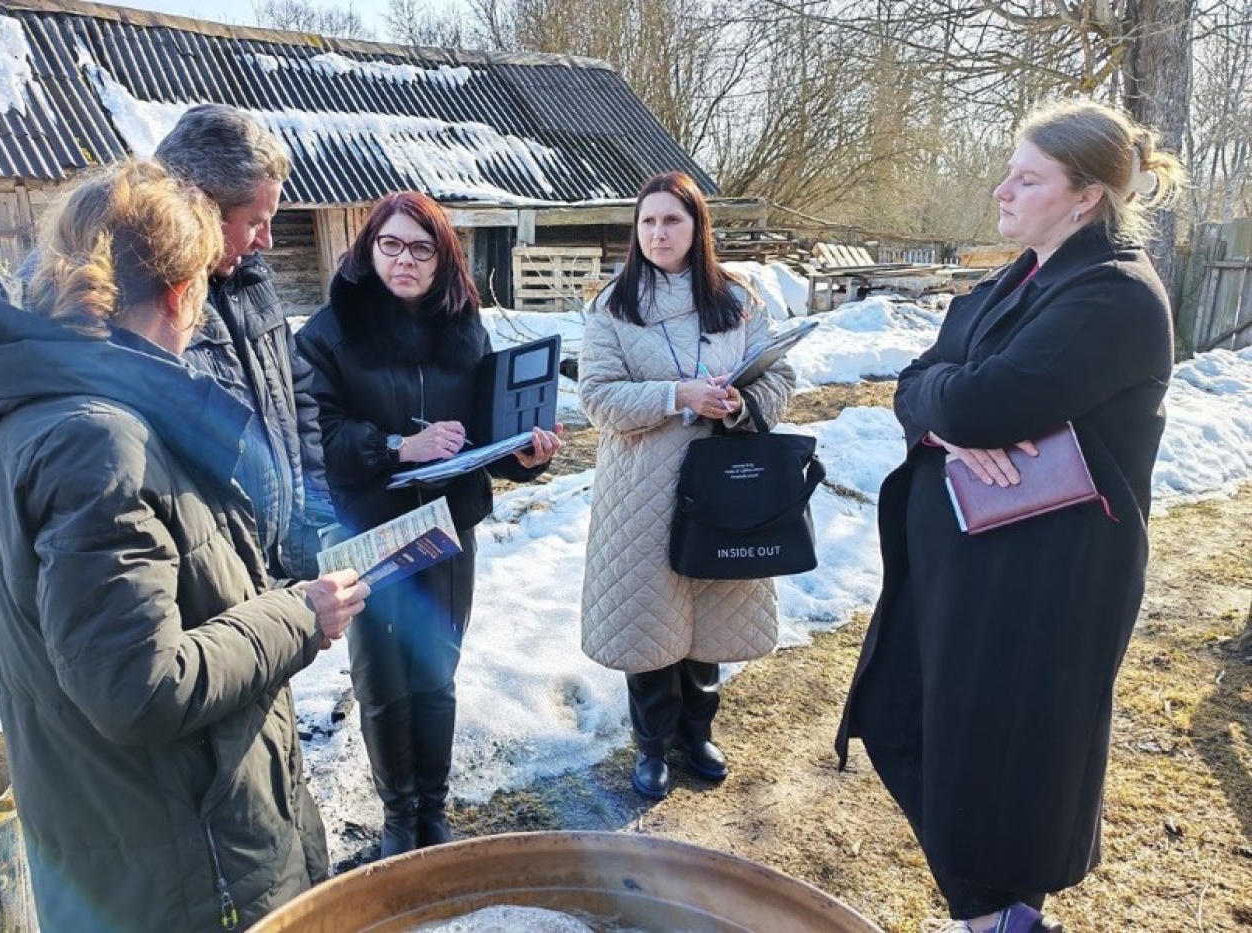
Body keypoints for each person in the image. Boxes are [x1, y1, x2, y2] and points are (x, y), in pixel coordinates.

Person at [0, 161, 369, 932]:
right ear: (179, 292)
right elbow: (140, 686)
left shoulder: (65, 404)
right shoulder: (97, 439)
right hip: (184, 877)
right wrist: (299, 616)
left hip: (163, 847)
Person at [834, 100, 1186, 932]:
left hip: (1042, 582)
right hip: (964, 566)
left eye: (1027, 179)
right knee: (904, 720)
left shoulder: (1114, 293)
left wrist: (954, 411)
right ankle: (999, 913)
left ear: (1085, 197)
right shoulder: (1020, 277)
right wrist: (946, 418)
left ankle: (1003, 917)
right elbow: (915, 383)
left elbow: (980, 401)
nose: (1001, 191)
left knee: (1001, 761)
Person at [293, 191, 562, 858]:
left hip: (447, 530)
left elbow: (488, 433)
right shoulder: (329, 333)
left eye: (422, 248)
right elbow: (313, 435)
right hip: (368, 532)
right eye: (392, 245)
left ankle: (433, 810)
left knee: (435, 672)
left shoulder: (464, 330)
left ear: (443, 258)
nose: (405, 260)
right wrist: (395, 446)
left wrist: (524, 455)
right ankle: (399, 815)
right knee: (382, 680)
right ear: (370, 249)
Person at [578, 172, 796, 801]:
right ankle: (651, 745)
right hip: (641, 490)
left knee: (709, 610)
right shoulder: (613, 306)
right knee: (649, 620)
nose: (658, 233)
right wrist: (678, 395)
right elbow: (597, 398)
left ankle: (697, 734)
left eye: (672, 219)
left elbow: (779, 376)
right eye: (647, 221)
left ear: (698, 226)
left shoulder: (737, 299)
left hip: (722, 483)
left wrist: (740, 405)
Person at [152, 103, 339, 582]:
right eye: (256, 222)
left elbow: (297, 398)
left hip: (278, 565)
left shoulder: (252, 280)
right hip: (209, 580)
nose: (267, 242)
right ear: (199, 209)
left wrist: (314, 520)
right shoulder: (146, 308)